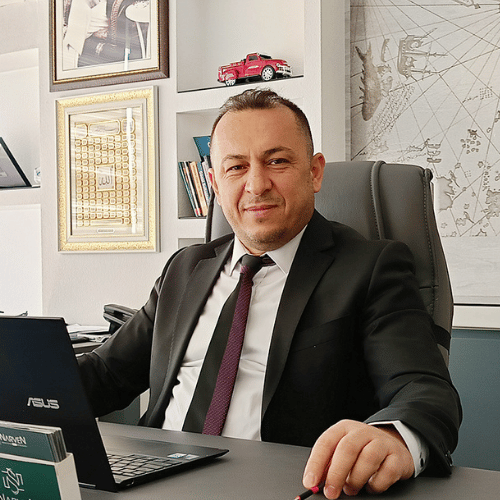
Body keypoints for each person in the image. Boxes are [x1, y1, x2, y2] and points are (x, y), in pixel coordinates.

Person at [78, 88, 462, 499]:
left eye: (277, 161)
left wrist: (393, 436)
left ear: (314, 172)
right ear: (215, 183)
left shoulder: (369, 268)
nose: (257, 184)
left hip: (280, 488)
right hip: (151, 484)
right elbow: (106, 375)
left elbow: (421, 389)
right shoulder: (185, 269)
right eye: (236, 167)